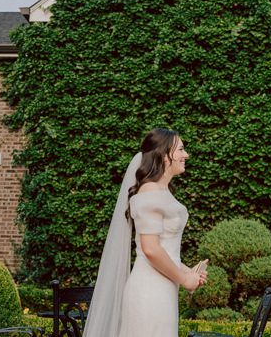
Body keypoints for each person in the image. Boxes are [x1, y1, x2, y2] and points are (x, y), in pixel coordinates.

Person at [83, 128, 207, 337]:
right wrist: (184, 280)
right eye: (181, 149)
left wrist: (188, 272)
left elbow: (163, 248)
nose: (186, 155)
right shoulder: (150, 192)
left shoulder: (161, 191)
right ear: (164, 155)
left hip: (162, 289)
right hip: (150, 293)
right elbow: (150, 249)